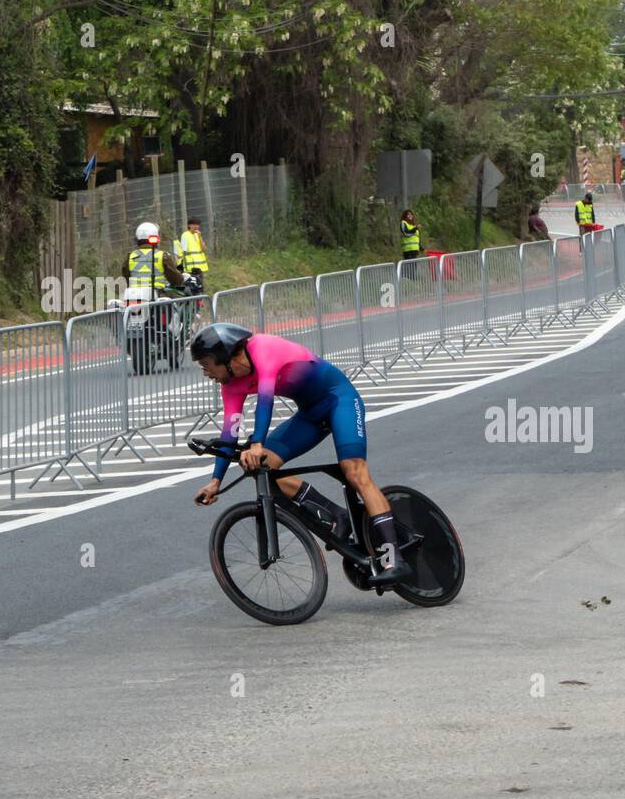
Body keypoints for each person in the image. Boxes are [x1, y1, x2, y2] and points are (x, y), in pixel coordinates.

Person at [191, 324, 412, 585]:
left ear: (226, 356)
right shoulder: (231, 386)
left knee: (354, 471)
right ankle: (336, 515)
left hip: (338, 399)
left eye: (206, 364)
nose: (205, 372)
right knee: (262, 467)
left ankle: (393, 558)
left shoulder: (263, 349)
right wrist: (215, 482)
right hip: (310, 414)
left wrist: (258, 442)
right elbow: (230, 433)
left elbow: (265, 401)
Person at [122, 221, 187, 301]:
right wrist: (180, 278)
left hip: (134, 296)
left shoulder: (130, 256)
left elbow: (126, 277)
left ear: (137, 239)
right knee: (181, 300)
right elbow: (175, 280)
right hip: (158, 296)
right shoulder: (163, 256)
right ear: (156, 238)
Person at [177, 218, 209, 292]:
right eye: (194, 224)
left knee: (200, 288)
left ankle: (201, 303)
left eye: (197, 225)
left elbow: (204, 249)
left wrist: (200, 237)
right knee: (191, 288)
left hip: (199, 268)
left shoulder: (198, 235)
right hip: (190, 268)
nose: (196, 226)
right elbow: (183, 251)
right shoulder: (185, 235)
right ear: (189, 225)